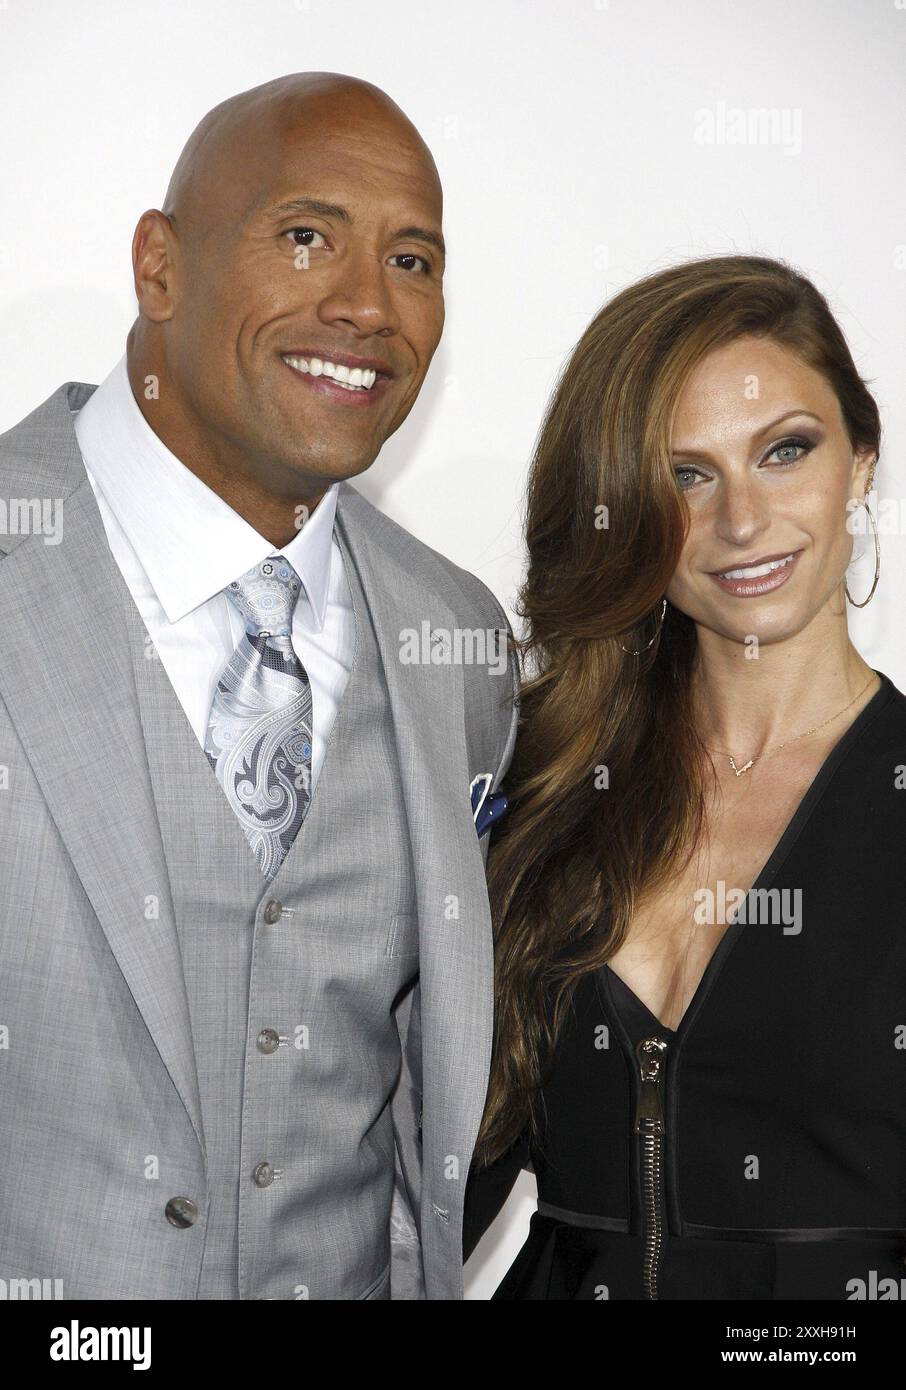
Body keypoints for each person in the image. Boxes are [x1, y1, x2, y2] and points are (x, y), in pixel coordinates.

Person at [0, 72, 517, 1300]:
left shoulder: (461, 645)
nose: (366, 305)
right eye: (305, 237)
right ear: (160, 268)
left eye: (412, 260)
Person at [463, 253, 906, 1300]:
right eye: (685, 475)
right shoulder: (542, 783)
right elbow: (419, 1172)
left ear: (862, 461)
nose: (743, 522)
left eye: (785, 451)